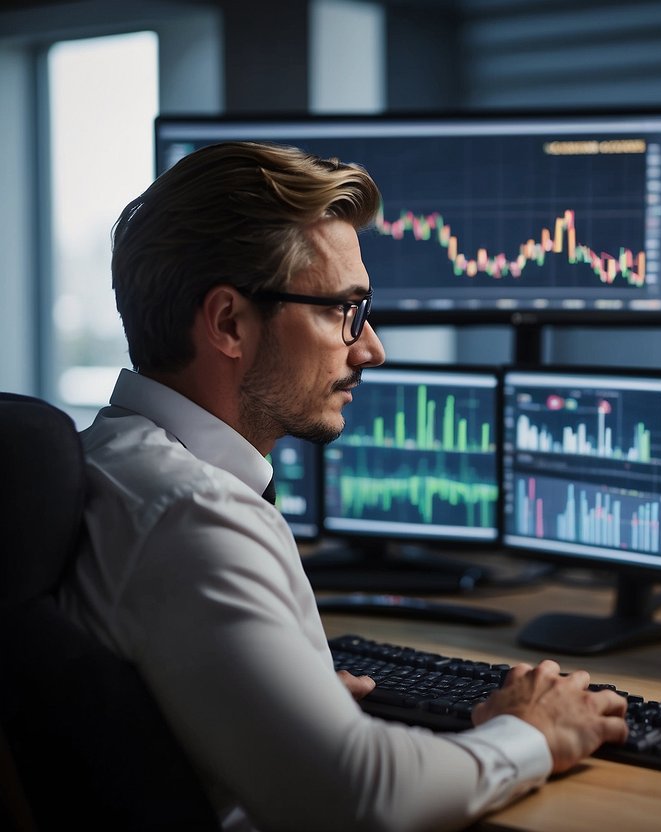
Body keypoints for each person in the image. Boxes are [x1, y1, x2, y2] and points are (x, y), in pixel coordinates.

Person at [56, 141, 628, 831]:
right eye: (342, 310)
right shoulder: (191, 512)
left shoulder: (113, 463)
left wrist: (280, 705)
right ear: (229, 323)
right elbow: (363, 799)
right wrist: (534, 732)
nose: (370, 347)